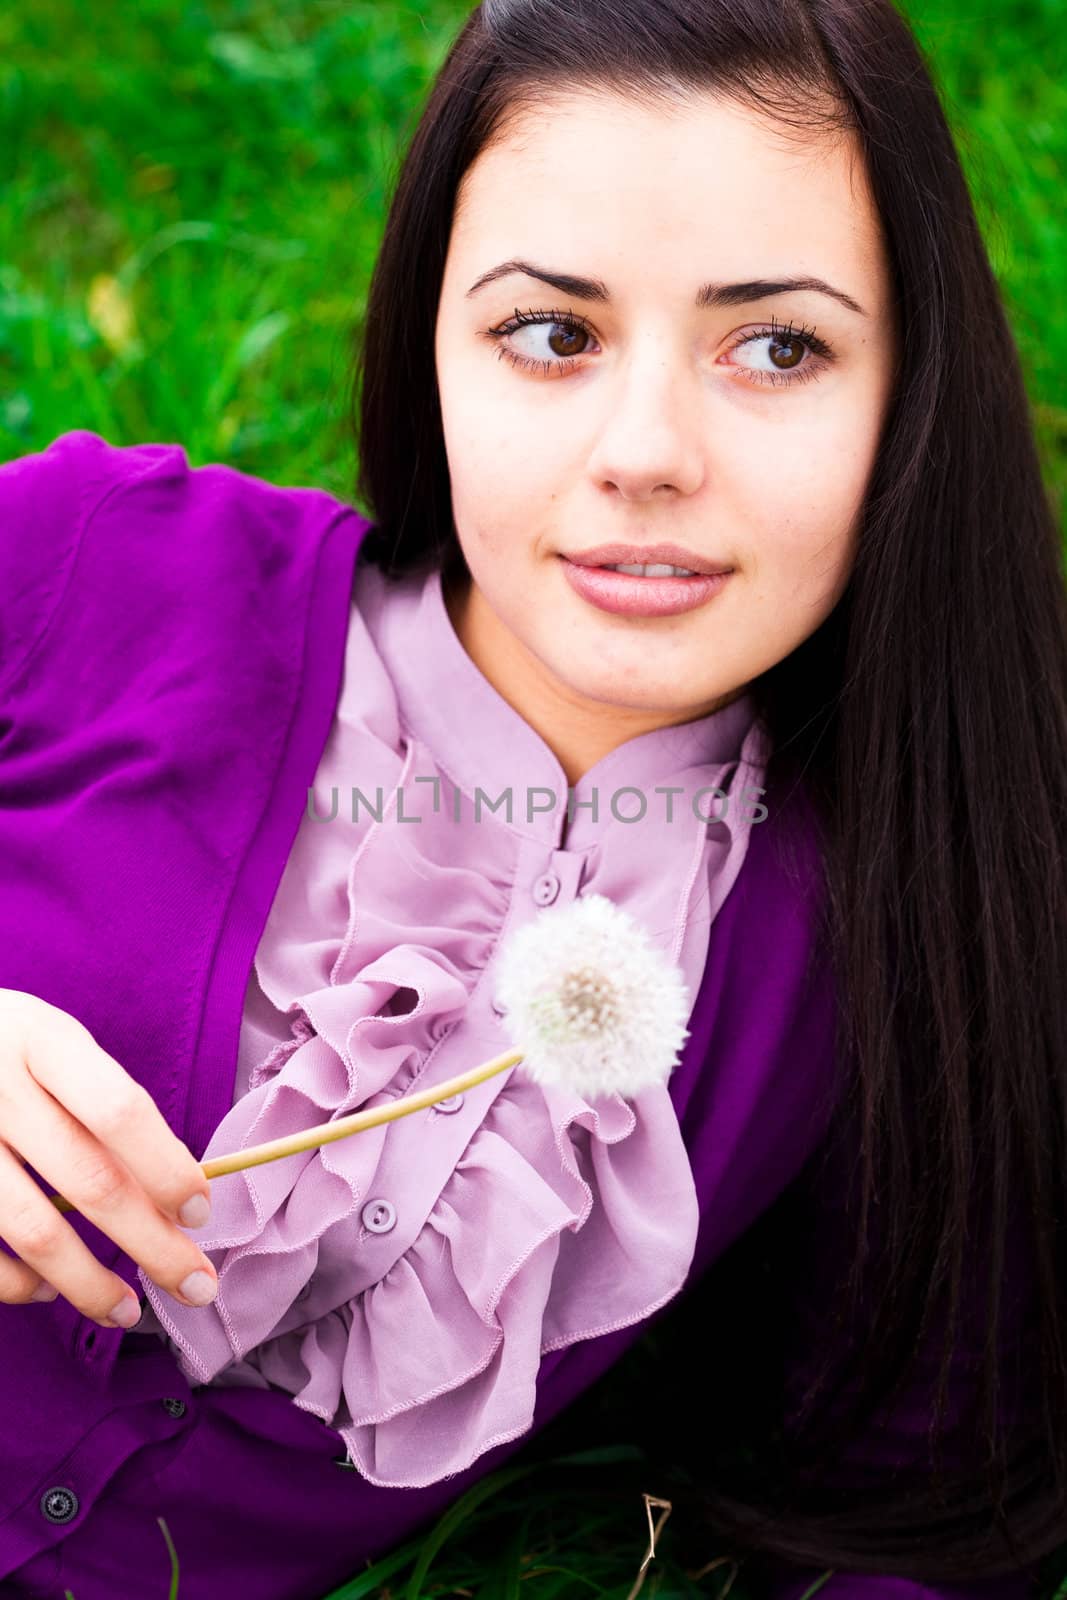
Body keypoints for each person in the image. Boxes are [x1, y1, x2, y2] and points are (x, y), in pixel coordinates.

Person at [0, 0, 1064, 1595]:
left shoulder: (912, 932)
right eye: (551, 334)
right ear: (429, 343)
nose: (645, 453)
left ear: (905, 395)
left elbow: (911, 1511)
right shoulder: (103, 562)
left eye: (778, 347)